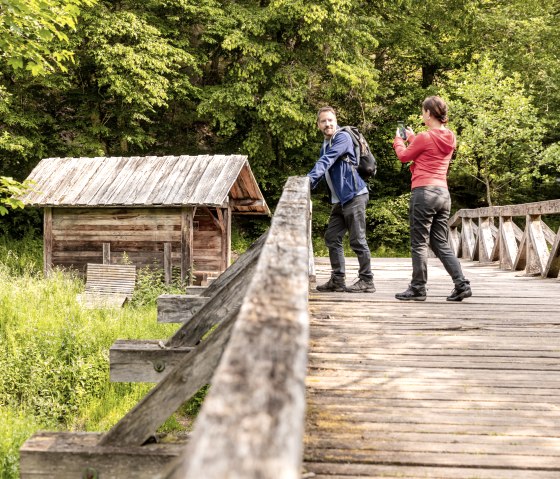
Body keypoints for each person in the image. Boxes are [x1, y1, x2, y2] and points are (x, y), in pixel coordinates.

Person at [393, 96, 472, 302]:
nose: (422, 115)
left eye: (423, 111)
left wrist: (399, 140)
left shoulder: (424, 137)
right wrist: (412, 138)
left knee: (419, 242)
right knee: (439, 242)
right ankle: (461, 284)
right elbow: (430, 151)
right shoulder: (450, 137)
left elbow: (404, 156)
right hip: (442, 194)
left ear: (428, 113)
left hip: (424, 192)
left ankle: (418, 287)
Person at [307, 106, 375, 293]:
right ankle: (338, 279)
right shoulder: (325, 144)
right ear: (318, 125)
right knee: (332, 236)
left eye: (330, 120)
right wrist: (310, 185)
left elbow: (327, 161)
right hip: (341, 200)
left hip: (355, 195)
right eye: (323, 121)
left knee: (357, 240)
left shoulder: (342, 138)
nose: (327, 124)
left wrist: (308, 179)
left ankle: (367, 280)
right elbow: (325, 167)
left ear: (336, 121)